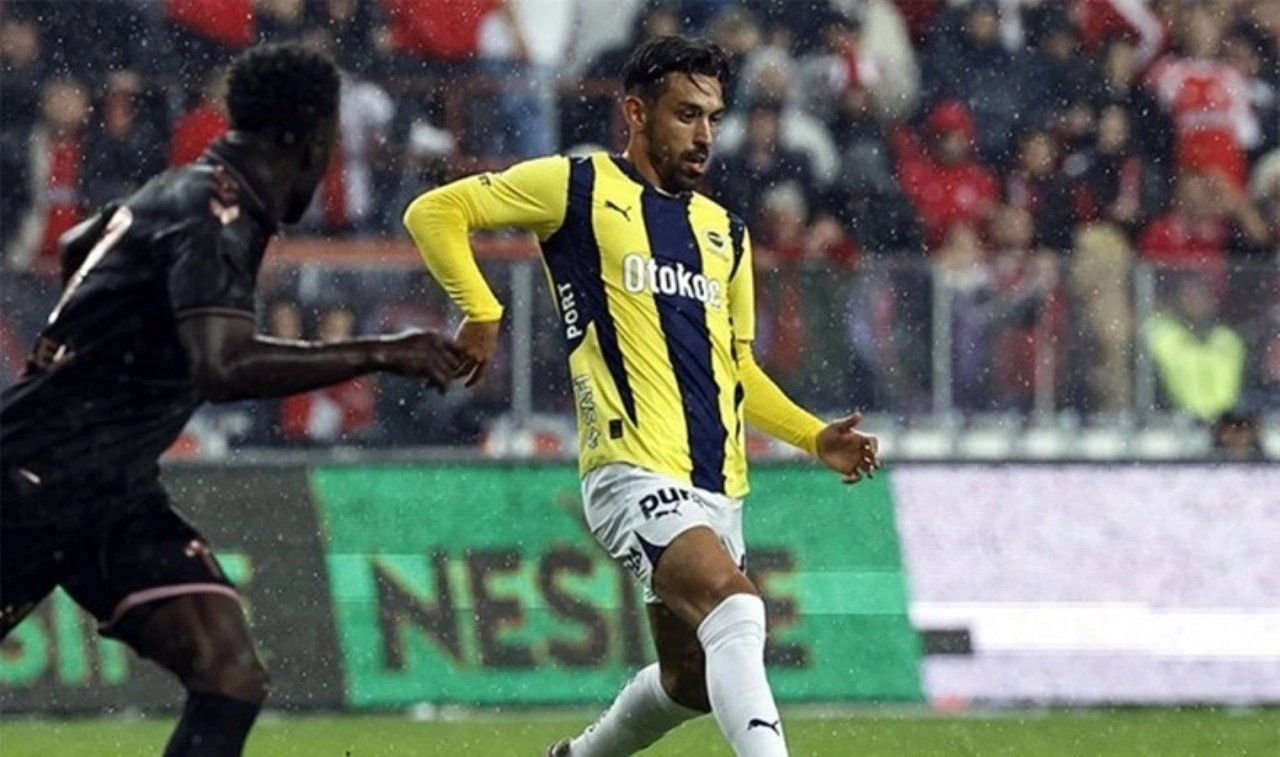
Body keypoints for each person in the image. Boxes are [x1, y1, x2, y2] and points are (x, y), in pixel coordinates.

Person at [403, 35, 880, 757]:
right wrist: (481, 307)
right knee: (736, 606)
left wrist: (814, 436)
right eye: (687, 114)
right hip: (631, 471)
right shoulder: (577, 186)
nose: (705, 135)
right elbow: (434, 213)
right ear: (635, 112)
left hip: (718, 485)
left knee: (690, 680)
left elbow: (735, 372)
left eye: (713, 117)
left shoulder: (726, 234)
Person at [0, 43, 462, 757]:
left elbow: (81, 244)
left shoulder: (181, 189)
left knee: (229, 672)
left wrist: (100, 330)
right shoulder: (216, 211)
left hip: (112, 488)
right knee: (227, 672)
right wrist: (383, 352)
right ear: (311, 137)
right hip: (33, 478)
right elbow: (223, 365)